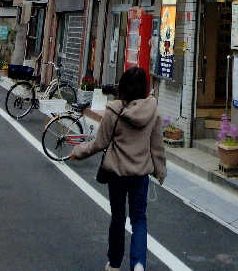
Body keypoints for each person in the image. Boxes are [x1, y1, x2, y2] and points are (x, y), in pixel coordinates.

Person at [71, 66, 166, 271]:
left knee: (118, 218)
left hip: (117, 174)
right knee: (139, 219)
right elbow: (157, 146)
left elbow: (99, 143)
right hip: (140, 174)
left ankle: (114, 264)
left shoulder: (113, 111)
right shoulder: (153, 111)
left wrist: (78, 152)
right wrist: (160, 171)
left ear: (122, 87)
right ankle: (139, 263)